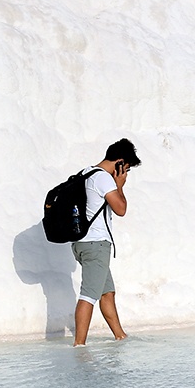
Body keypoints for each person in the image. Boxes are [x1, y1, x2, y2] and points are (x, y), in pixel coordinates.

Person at [73, 139, 140, 345]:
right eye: (126, 168)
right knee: (88, 296)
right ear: (120, 162)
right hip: (96, 244)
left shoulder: (86, 173)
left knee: (106, 292)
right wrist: (119, 186)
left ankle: (120, 335)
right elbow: (121, 209)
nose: (125, 173)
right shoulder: (103, 178)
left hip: (82, 243)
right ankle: (79, 345)